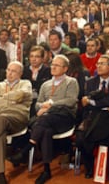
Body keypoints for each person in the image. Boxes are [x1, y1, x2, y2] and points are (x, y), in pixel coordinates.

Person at [8, 54, 78, 184]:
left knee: (45, 118)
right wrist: (44, 107)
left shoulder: (71, 82)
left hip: (64, 117)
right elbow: (38, 103)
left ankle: (27, 148)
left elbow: (71, 101)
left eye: (57, 65)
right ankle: (46, 170)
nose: (53, 67)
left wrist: (50, 105)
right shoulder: (46, 84)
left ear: (65, 68)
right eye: (52, 65)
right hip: (47, 120)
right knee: (46, 130)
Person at [77, 54, 109, 179]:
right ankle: (90, 167)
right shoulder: (90, 82)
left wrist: (93, 102)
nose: (98, 66)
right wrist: (103, 106)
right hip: (93, 117)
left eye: (102, 64)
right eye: (98, 63)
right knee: (81, 139)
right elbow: (86, 103)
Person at [21, 45, 51, 118]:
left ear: (42, 58)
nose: (34, 59)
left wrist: (31, 83)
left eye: (37, 57)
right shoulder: (24, 70)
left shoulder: (47, 70)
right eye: (31, 56)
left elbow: (44, 86)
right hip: (26, 98)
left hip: (40, 98)